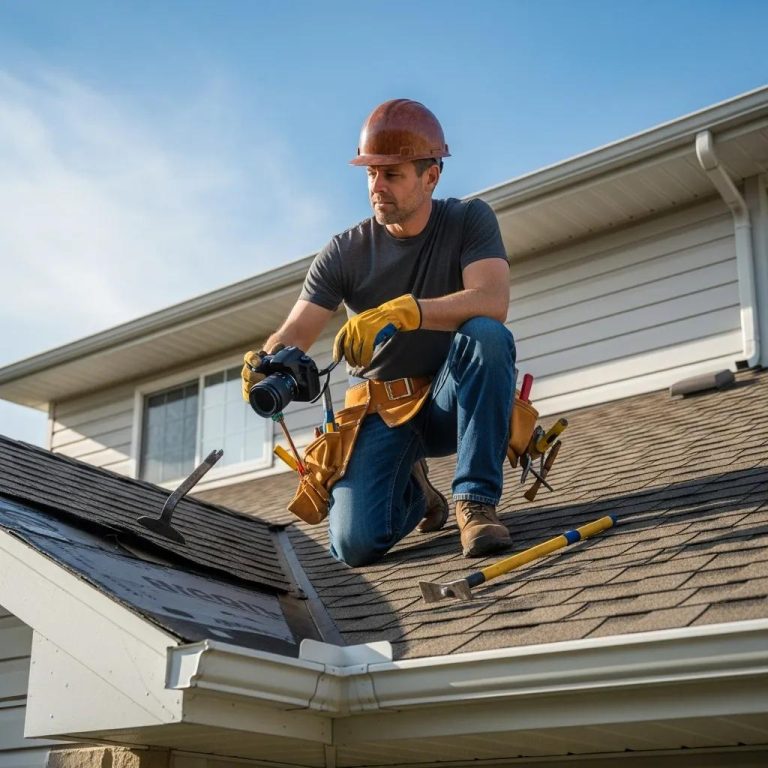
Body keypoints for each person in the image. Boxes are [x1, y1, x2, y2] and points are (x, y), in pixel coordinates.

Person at [242, 99, 517, 566]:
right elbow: (298, 329)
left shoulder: (468, 221)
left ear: (431, 177)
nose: (377, 187)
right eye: (371, 174)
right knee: (353, 545)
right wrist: (265, 360)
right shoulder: (344, 252)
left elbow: (493, 299)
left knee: (487, 336)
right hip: (382, 409)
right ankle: (416, 493)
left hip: (452, 401)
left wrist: (410, 311)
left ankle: (475, 503)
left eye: (392, 175)